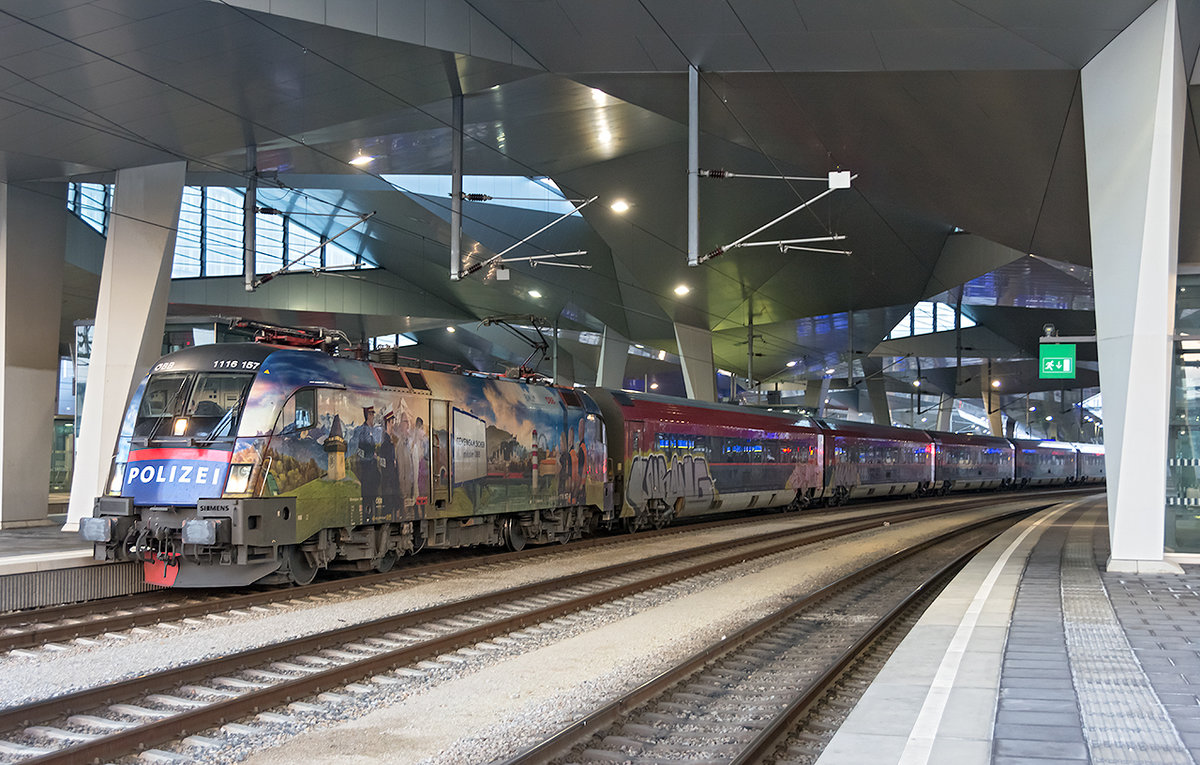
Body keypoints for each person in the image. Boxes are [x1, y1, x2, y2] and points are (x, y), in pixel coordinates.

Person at [355, 406, 381, 514]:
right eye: (372, 414)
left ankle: (371, 514)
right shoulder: (364, 430)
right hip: (367, 470)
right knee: (368, 497)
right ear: (368, 415)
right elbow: (363, 449)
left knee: (372, 496)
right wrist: (372, 455)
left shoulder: (370, 429)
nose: (373, 417)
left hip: (371, 471)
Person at [379, 411, 401, 514]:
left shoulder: (387, 441)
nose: (393, 426)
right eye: (392, 422)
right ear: (388, 423)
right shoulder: (386, 443)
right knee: (388, 511)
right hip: (389, 486)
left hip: (389, 486)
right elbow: (385, 465)